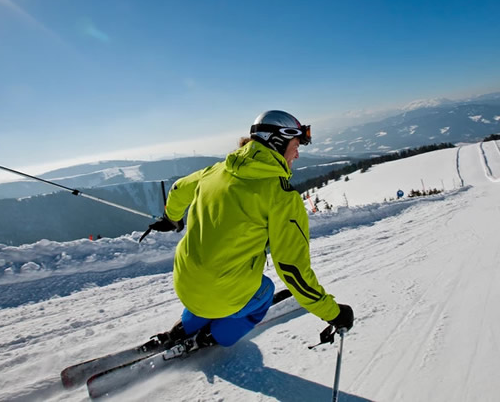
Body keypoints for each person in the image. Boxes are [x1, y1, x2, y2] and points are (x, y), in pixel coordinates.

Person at [144, 110, 354, 349]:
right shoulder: (281, 196)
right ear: (278, 142)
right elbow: (292, 270)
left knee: (213, 281)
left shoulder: (216, 171)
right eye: (295, 145)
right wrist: (333, 313)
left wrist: (172, 218)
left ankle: (187, 326)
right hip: (222, 295)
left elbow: (179, 189)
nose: (297, 154)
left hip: (184, 283)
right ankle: (212, 337)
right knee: (265, 291)